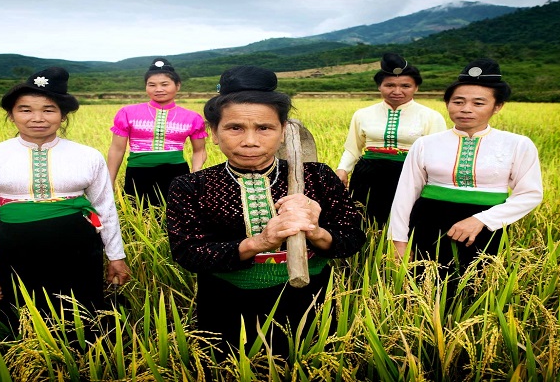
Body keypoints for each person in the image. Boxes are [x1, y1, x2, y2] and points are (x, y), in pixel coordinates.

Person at [166, 65, 366, 362]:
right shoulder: (191, 186)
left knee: (307, 364)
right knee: (231, 366)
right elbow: (188, 253)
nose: (250, 140)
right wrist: (259, 242)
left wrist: (316, 230)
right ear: (214, 133)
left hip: (308, 300)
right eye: (235, 128)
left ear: (283, 130)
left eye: (264, 128)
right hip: (228, 305)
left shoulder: (319, 177)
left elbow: (353, 238)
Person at [0, 67, 131, 334]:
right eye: (25, 109)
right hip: (17, 247)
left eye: (48, 109)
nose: (37, 118)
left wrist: (116, 256)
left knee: (82, 313)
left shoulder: (88, 156)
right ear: (11, 114)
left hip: (78, 246)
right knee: (23, 311)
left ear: (63, 115)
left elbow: (105, 209)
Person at [389, 58, 543, 293]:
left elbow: (530, 194)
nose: (466, 109)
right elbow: (406, 193)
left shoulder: (517, 144)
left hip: (487, 228)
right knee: (425, 288)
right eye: (458, 101)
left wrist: (481, 220)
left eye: (478, 103)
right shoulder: (425, 144)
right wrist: (398, 239)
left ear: (497, 106)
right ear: (447, 103)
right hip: (429, 223)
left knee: (478, 289)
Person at [335, 53, 447, 226]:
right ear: (379, 86)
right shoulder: (362, 114)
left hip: (410, 174)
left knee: (406, 221)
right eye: (390, 85)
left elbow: (438, 155)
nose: (397, 91)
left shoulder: (431, 116)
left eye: (405, 86)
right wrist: (342, 170)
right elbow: (353, 148)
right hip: (368, 175)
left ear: (416, 87)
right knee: (364, 220)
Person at [107, 58, 208, 207]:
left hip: (176, 174)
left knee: (177, 217)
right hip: (137, 174)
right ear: (146, 87)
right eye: (152, 85)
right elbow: (117, 149)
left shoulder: (192, 117)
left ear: (178, 86)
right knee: (137, 215)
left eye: (164, 84)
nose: (158, 89)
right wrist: (109, 180)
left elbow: (199, 150)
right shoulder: (127, 113)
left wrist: (195, 174)